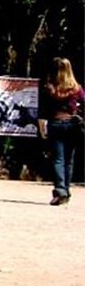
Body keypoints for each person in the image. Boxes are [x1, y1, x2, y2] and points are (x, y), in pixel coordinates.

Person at [38, 57, 85, 206]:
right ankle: (66, 191)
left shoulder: (49, 88)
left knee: (58, 159)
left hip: (56, 123)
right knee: (69, 161)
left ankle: (60, 191)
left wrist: (42, 129)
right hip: (72, 124)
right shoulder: (76, 88)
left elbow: (43, 111)